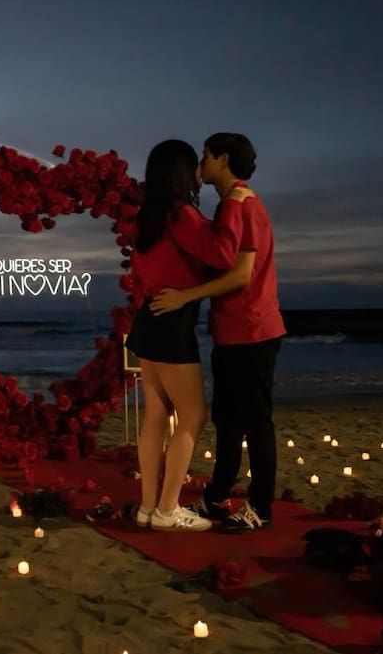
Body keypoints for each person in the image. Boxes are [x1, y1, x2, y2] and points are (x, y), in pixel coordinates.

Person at [151, 132, 285, 533]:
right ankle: (217, 495)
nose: (201, 164)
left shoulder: (242, 204)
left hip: (253, 328)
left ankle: (260, 507)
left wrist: (184, 297)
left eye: (206, 156)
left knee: (256, 420)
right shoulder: (231, 205)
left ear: (223, 160)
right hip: (232, 330)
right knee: (228, 418)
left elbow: (241, 274)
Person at [125, 139, 253, 532]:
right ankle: (166, 509)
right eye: (193, 162)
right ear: (181, 171)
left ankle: (148, 507)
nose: (200, 166)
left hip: (149, 318)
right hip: (173, 321)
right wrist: (233, 204)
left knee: (157, 413)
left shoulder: (147, 217)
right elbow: (222, 254)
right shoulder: (181, 215)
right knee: (193, 415)